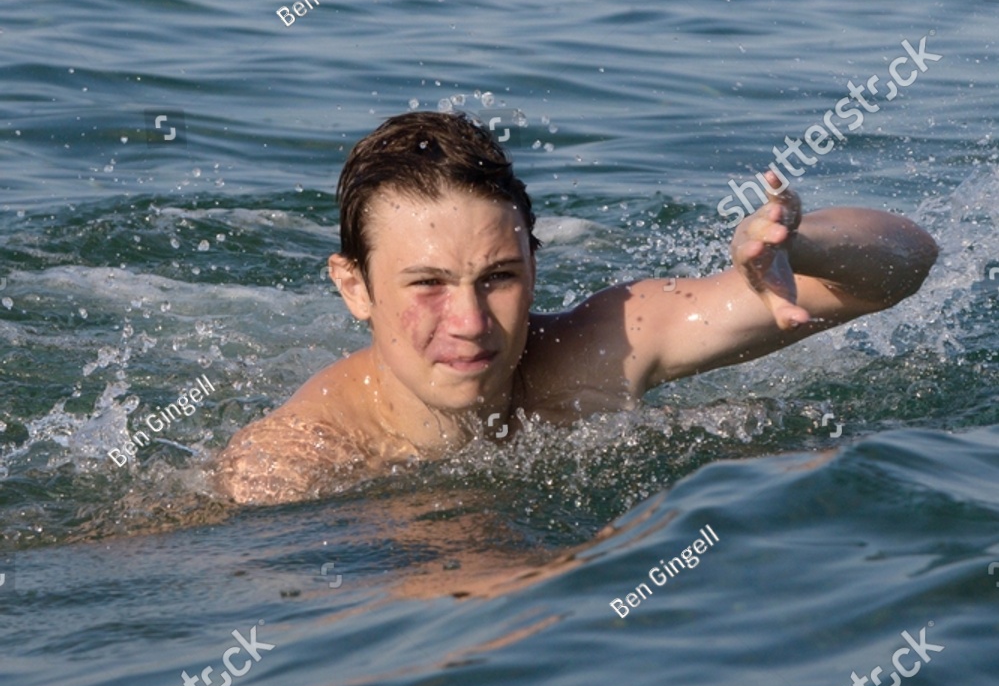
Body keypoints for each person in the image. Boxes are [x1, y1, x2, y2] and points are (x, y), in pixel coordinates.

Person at [217, 111, 937, 505]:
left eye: (497, 277)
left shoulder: (597, 347)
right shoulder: (294, 466)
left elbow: (901, 264)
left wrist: (797, 249)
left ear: (535, 263)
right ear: (354, 288)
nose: (469, 323)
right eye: (426, 284)